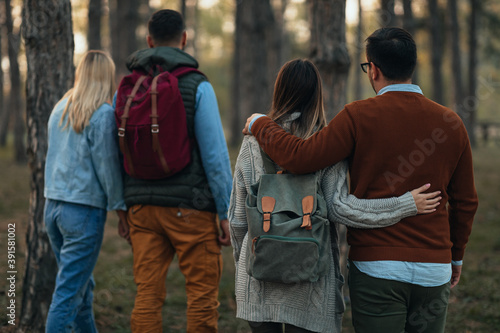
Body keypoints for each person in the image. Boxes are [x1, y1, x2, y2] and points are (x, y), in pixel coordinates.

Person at [243, 27, 478, 333]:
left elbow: (299, 157)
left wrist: (261, 123)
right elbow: (466, 202)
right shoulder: (452, 123)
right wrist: (455, 256)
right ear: (412, 66)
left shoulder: (357, 116)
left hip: (376, 266)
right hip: (434, 267)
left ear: (374, 69)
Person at [116, 9, 233, 333]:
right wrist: (225, 210)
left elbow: (116, 152)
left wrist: (122, 206)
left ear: (149, 41)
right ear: (183, 39)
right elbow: (214, 155)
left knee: (148, 295)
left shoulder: (127, 88)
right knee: (201, 296)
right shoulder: (197, 85)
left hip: (141, 208)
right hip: (190, 210)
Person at [44, 50, 129, 333]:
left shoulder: (60, 107)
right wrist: (121, 210)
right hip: (81, 213)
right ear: (105, 76)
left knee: (81, 287)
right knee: (68, 296)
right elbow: (108, 168)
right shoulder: (102, 114)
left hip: (53, 209)